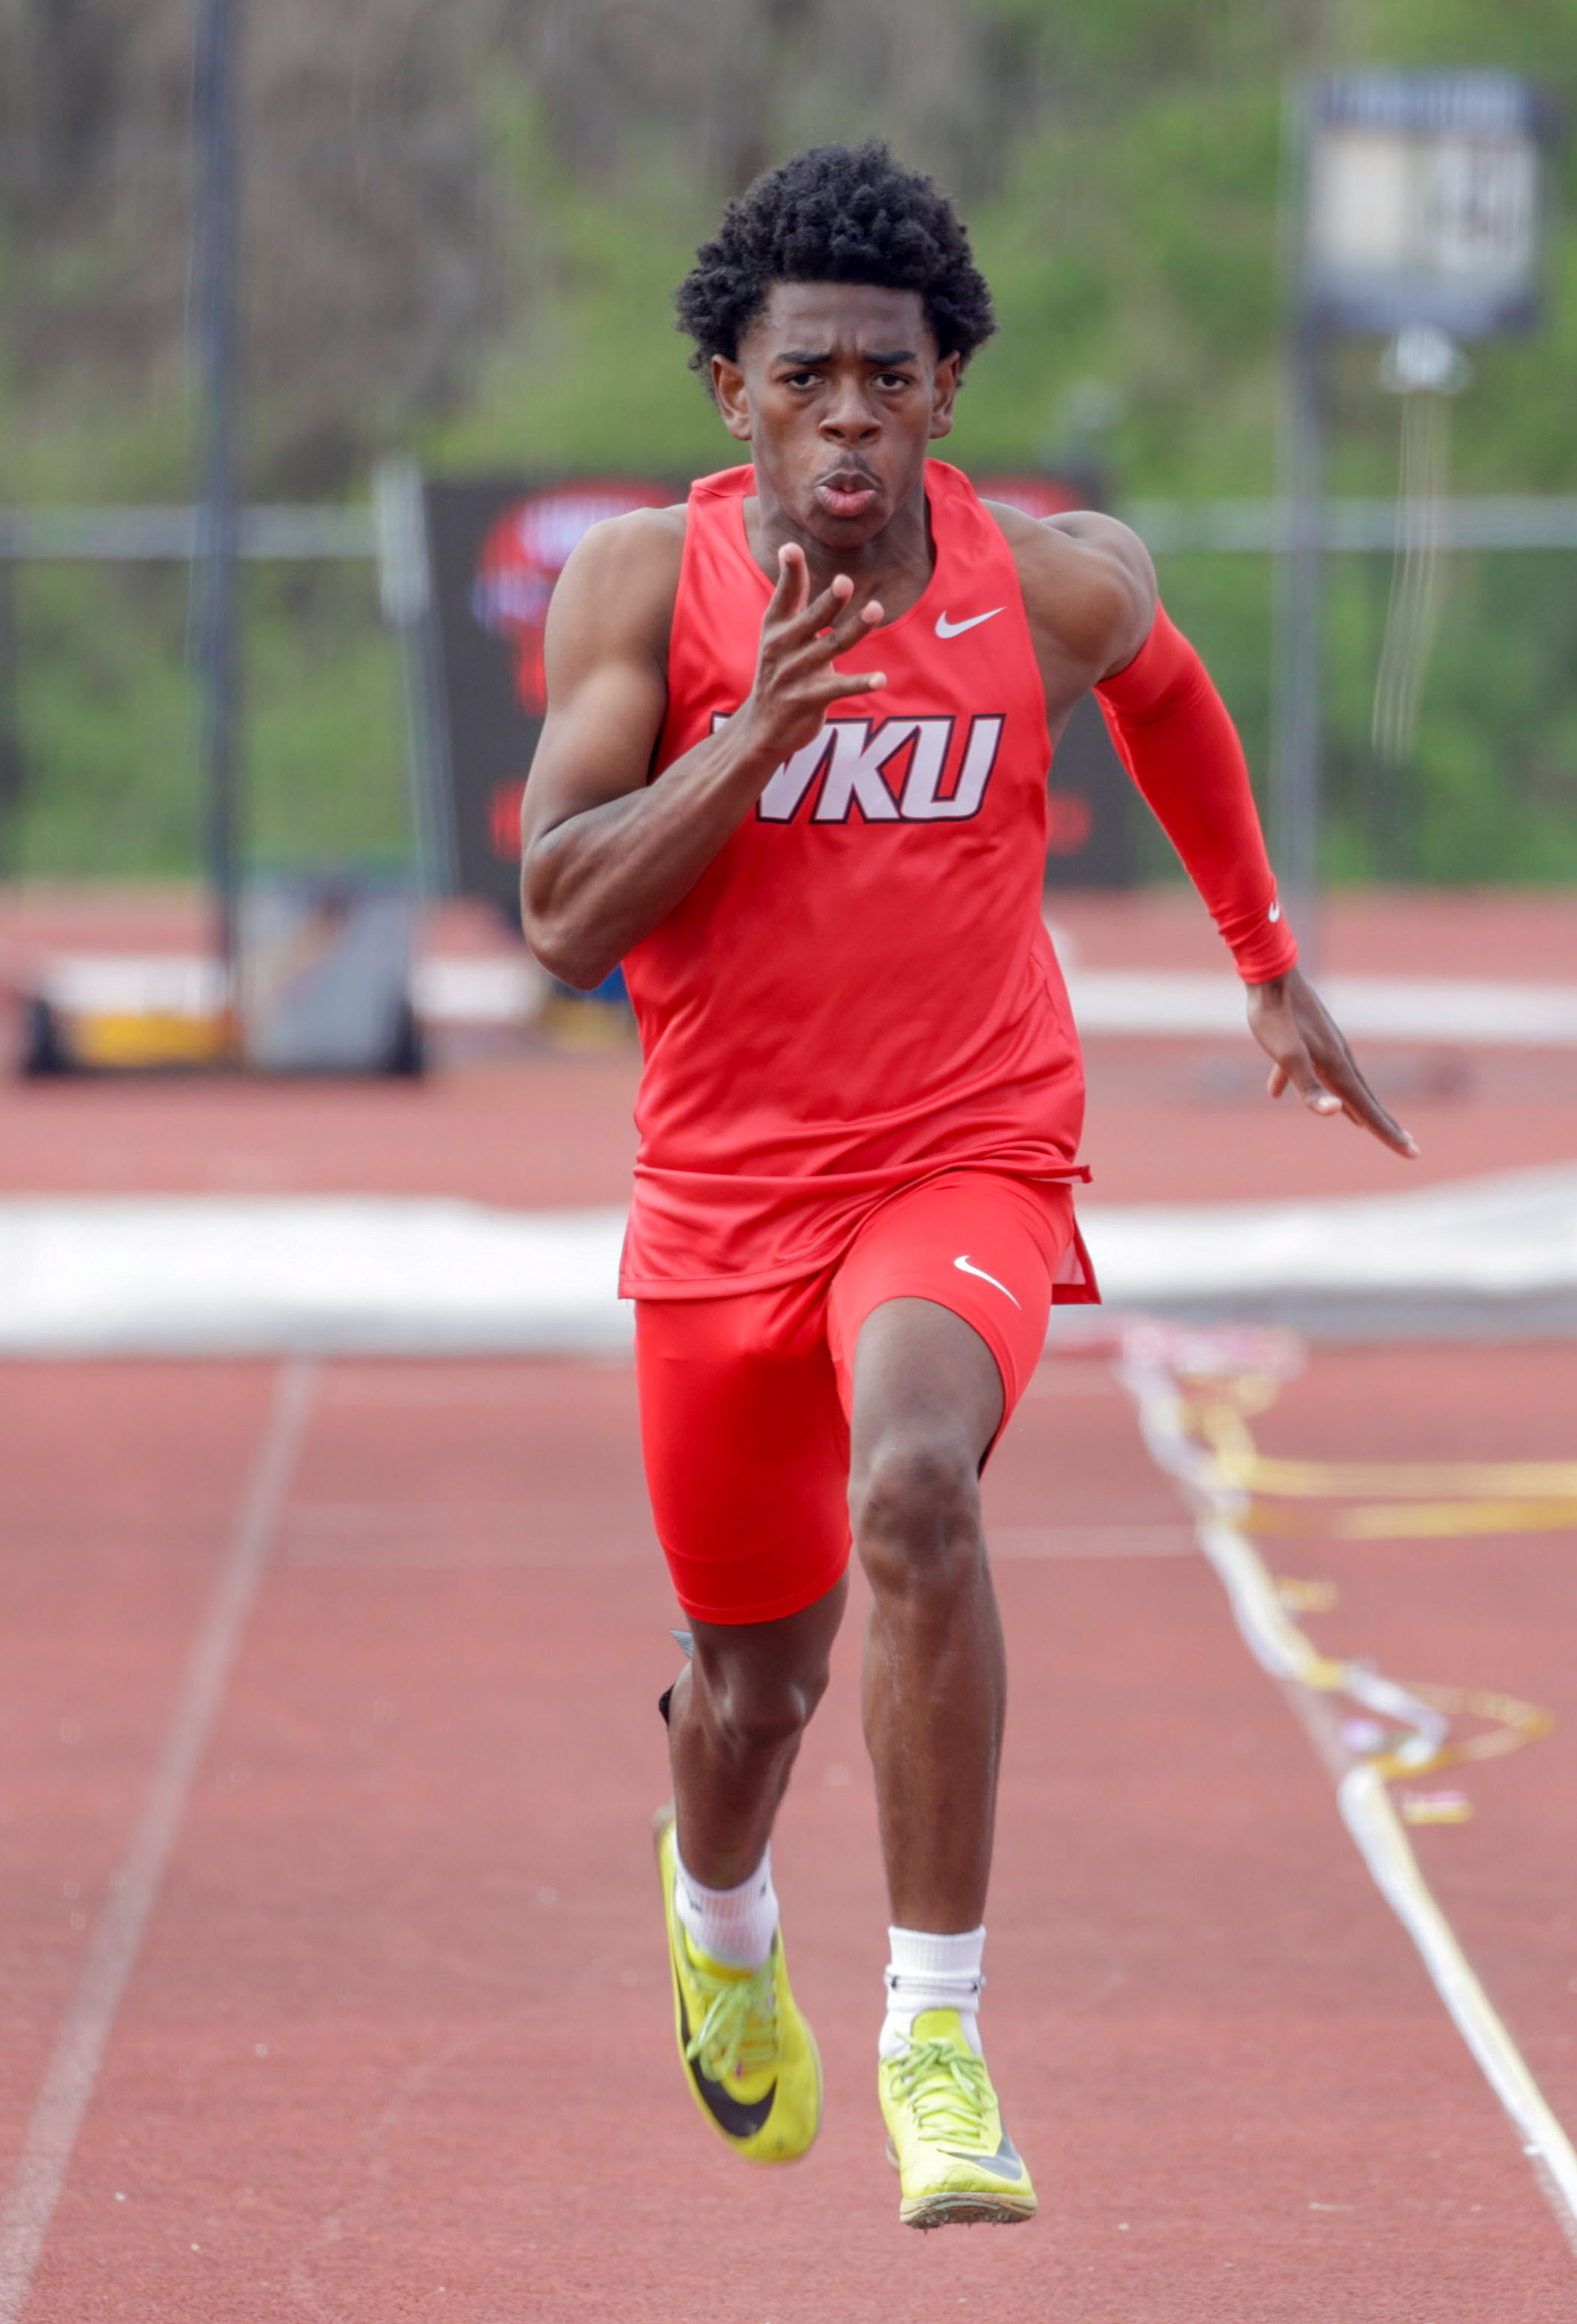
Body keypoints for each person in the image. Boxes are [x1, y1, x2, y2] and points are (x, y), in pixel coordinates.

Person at [519, 140, 1415, 2231]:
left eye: (889, 377)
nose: (850, 412)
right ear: (733, 398)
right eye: (807, 374)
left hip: (967, 1148)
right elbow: (562, 912)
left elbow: (1173, 695)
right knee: (751, 1688)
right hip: (725, 1200)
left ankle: (939, 2022)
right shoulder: (648, 591)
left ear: (945, 394)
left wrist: (1268, 962)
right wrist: (746, 743)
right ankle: (721, 1913)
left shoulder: (1052, 579)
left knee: (918, 1478)